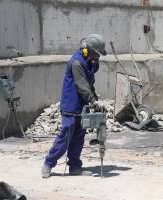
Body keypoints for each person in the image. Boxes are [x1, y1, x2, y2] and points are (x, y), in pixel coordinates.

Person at [41, 34, 107, 178]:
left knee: (78, 137)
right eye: (96, 54)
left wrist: (95, 99)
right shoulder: (77, 62)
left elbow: (89, 83)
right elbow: (82, 85)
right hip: (71, 105)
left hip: (81, 105)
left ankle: (75, 167)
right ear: (87, 50)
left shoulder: (90, 61)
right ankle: (48, 164)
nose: (97, 57)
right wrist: (93, 100)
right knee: (66, 136)